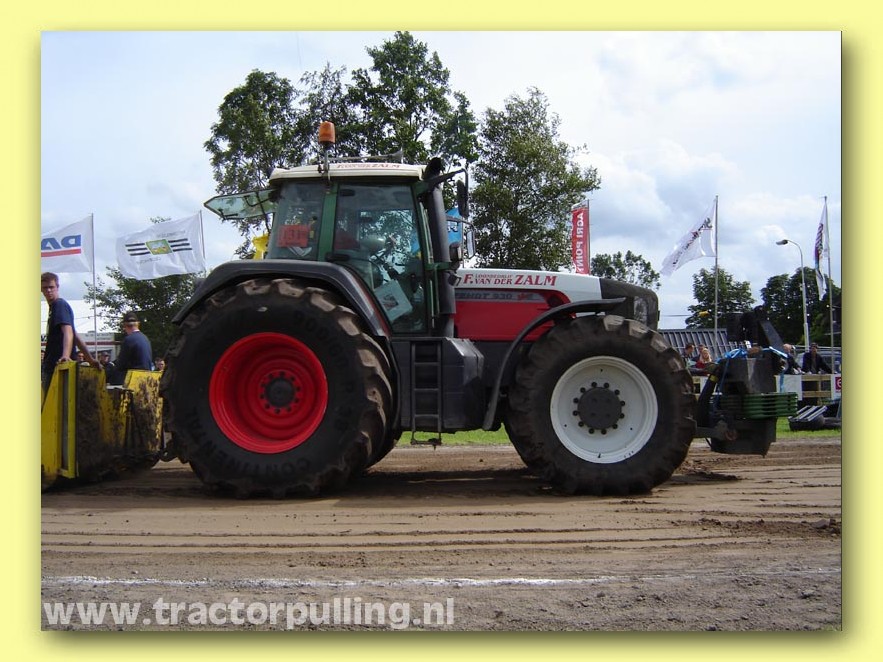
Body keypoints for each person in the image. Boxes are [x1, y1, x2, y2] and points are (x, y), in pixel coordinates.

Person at [41, 271, 98, 395]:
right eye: (45, 288)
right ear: (41, 290)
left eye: (51, 287)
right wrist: (90, 359)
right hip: (59, 366)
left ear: (57, 287)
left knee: (50, 404)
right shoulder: (55, 307)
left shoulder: (59, 305)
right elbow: (75, 335)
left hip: (57, 366)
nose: (49, 290)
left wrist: (65, 356)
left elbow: (68, 332)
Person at [109, 311, 153, 385]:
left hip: (134, 379)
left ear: (125, 326)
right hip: (147, 379)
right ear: (138, 324)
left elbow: (121, 364)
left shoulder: (128, 340)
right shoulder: (146, 339)